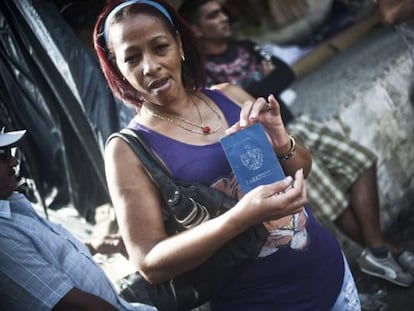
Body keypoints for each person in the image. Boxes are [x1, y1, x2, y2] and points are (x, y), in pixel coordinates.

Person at [93, 1, 361, 310]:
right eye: (132, 57)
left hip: (334, 279)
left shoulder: (230, 95)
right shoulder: (128, 150)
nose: (150, 66)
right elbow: (150, 263)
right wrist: (241, 217)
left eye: (159, 47)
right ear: (118, 68)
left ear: (179, 44)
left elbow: (302, 169)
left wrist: (280, 140)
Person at [178, 0, 414, 287]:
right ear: (197, 29)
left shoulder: (245, 47)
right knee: (330, 197)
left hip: (294, 124)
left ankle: (377, 248)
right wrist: (260, 86)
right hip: (265, 143)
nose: (224, 18)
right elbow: (250, 92)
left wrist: (251, 92)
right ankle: (383, 251)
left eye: (223, 11)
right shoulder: (204, 75)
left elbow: (285, 72)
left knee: (361, 159)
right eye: (213, 15)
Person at [0, 129, 155, 311]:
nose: (14, 161)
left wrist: (94, 245)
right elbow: (73, 304)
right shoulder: (3, 240)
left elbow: (52, 257)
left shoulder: (12, 205)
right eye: (2, 157)